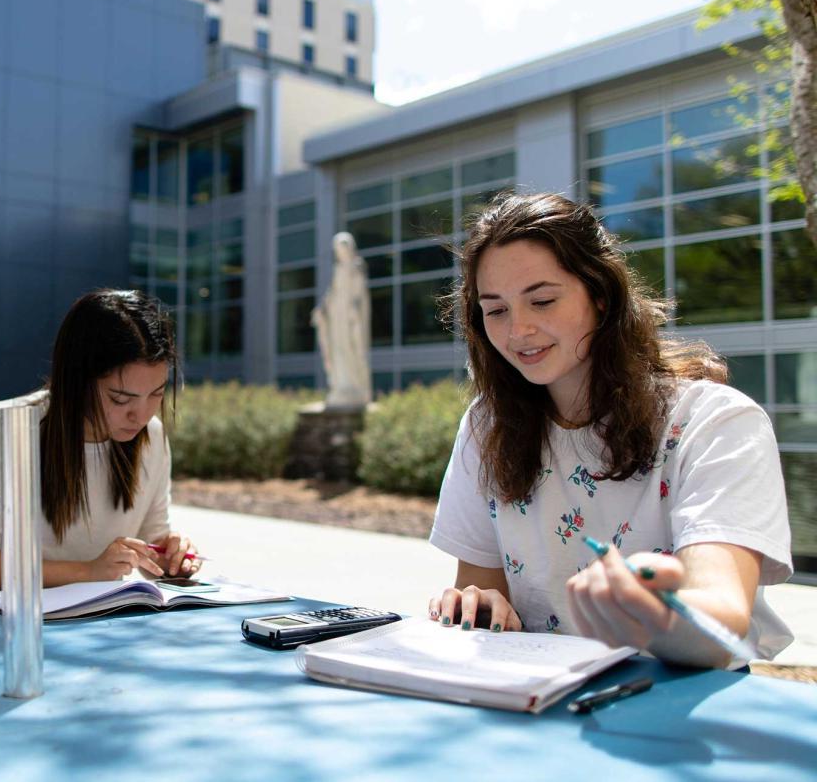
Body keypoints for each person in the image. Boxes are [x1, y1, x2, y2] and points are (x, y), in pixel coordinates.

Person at [428, 193, 792, 668]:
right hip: (534, 700)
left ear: (601, 296)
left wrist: (654, 613)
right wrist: (478, 607)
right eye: (495, 310)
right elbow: (482, 592)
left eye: (542, 300)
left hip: (677, 704)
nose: (518, 331)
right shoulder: (486, 425)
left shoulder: (715, 422)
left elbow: (721, 627)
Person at [0, 289, 198, 593]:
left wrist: (171, 556)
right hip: (14, 627)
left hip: (104, 625)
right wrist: (88, 571)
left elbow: (152, 545)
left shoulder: (152, 436)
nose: (140, 416)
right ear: (77, 381)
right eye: (120, 398)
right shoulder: (0, 427)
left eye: (156, 394)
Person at [311, 231, 372, 408]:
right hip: (337, 317)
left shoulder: (356, 266)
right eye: (337, 249)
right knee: (338, 350)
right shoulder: (338, 269)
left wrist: (354, 309)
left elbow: (359, 293)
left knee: (351, 350)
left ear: (349, 248)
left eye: (342, 248)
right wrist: (321, 310)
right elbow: (332, 293)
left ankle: (354, 387)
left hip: (349, 318)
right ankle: (341, 385)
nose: (340, 252)